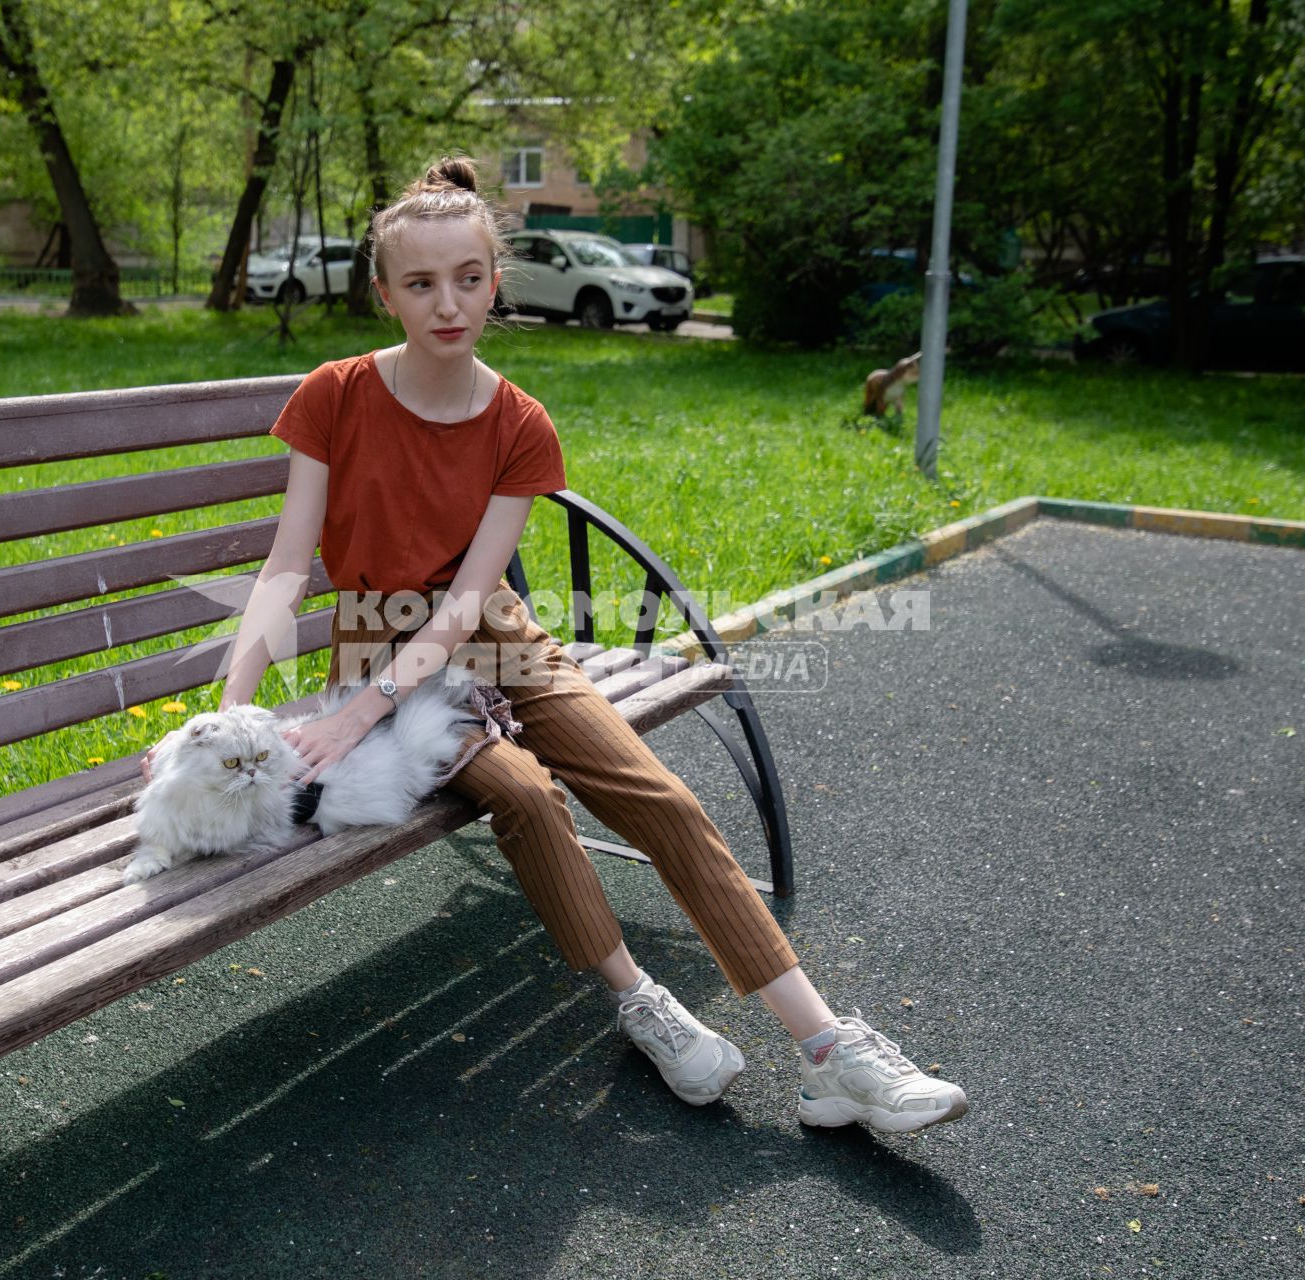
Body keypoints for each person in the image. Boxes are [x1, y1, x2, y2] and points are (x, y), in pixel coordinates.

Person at [148, 156, 969, 1136]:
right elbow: (286, 567)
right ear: (385, 292)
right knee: (529, 796)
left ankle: (830, 1053)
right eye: (419, 282)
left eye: (467, 277)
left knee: (657, 795)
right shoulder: (334, 395)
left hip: (489, 630)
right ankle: (639, 1000)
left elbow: (468, 604)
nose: (446, 301)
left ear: (496, 279)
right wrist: (229, 714)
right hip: (377, 644)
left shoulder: (520, 424)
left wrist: (370, 710)